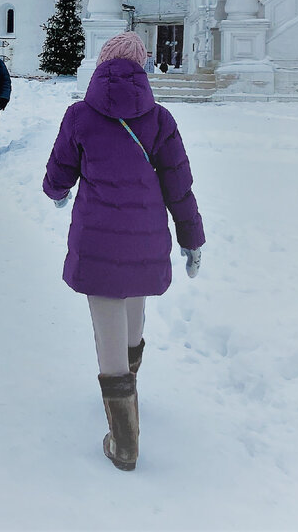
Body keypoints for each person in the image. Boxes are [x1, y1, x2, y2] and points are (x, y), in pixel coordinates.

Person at [42, 31, 205, 473]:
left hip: (97, 237)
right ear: (143, 67)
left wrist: (55, 191)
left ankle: (125, 438)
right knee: (134, 303)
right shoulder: (160, 119)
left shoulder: (80, 115)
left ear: (101, 65)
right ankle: (129, 393)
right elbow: (179, 184)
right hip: (146, 235)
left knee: (107, 313)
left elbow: (60, 170)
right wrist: (192, 238)